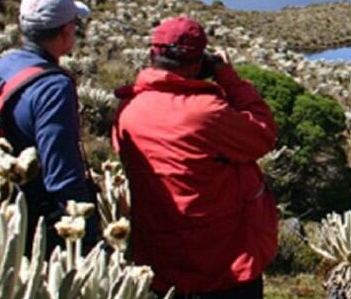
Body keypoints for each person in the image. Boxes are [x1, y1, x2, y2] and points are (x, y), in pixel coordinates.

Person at [112, 16, 278, 298]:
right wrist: (229, 78)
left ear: (153, 54)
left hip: (162, 264)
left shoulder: (128, 111)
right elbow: (262, 135)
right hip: (225, 265)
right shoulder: (206, 113)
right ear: (200, 62)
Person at [0, 0, 99, 252]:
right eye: (74, 25)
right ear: (66, 31)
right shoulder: (53, 87)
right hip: (28, 224)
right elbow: (62, 174)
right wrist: (87, 235)